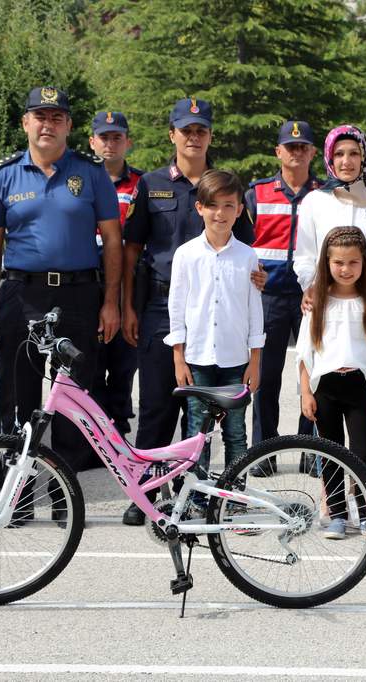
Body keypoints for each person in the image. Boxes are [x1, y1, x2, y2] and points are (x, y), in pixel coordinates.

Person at [120, 97, 259, 526]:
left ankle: (191, 494)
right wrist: (125, 304)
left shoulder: (226, 187)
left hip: (214, 310)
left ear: (210, 136)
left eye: (201, 130)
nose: (193, 136)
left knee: (197, 411)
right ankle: (144, 490)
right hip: (162, 304)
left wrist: (259, 279)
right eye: (186, 130)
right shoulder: (153, 184)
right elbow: (132, 249)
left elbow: (248, 250)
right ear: (172, 134)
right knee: (157, 405)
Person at [0, 86, 122, 487]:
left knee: (74, 398)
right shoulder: (3, 174)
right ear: (26, 123)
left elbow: (112, 241)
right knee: (18, 399)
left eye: (57, 117)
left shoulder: (91, 173)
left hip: (78, 296)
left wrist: (110, 302)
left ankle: (66, 496)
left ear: (69, 126)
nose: (48, 124)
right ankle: (18, 493)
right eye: (40, 116)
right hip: (21, 296)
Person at [293, 124, 366, 401]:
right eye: (339, 153)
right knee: (321, 395)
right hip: (328, 309)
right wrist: (309, 286)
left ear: (364, 157)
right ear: (329, 158)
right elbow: (304, 256)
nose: (347, 161)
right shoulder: (315, 202)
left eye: (354, 153)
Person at [167, 169, 264, 471]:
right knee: (197, 432)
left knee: (236, 432)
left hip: (235, 360)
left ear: (239, 210)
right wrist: (179, 359)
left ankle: (234, 498)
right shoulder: (186, 255)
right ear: (200, 208)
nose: (220, 213)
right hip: (197, 359)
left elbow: (254, 312)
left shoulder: (248, 257)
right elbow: (177, 308)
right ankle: (197, 499)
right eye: (212, 205)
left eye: (228, 206)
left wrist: (255, 361)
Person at [296, 226, 366, 539]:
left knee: (362, 452)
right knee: (331, 452)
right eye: (339, 263)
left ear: (363, 264)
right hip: (326, 389)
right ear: (327, 263)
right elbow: (304, 353)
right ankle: (336, 514)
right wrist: (306, 392)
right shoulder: (317, 302)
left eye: (353, 263)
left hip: (360, 387)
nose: (346, 269)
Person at [244, 120, 320, 477]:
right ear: (278, 152)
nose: (296, 152)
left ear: (313, 152)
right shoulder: (256, 194)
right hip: (269, 297)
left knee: (315, 375)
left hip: (312, 298)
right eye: (290, 147)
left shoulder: (325, 194)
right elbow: (239, 243)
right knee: (265, 378)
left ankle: (312, 451)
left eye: (303, 146)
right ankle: (263, 454)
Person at [89, 110, 142, 437]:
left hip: (127, 282)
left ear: (128, 142)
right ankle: (93, 430)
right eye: (104, 137)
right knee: (91, 361)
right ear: (92, 141)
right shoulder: (79, 180)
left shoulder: (142, 184)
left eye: (116, 137)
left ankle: (119, 426)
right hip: (87, 282)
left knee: (124, 361)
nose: (110, 143)